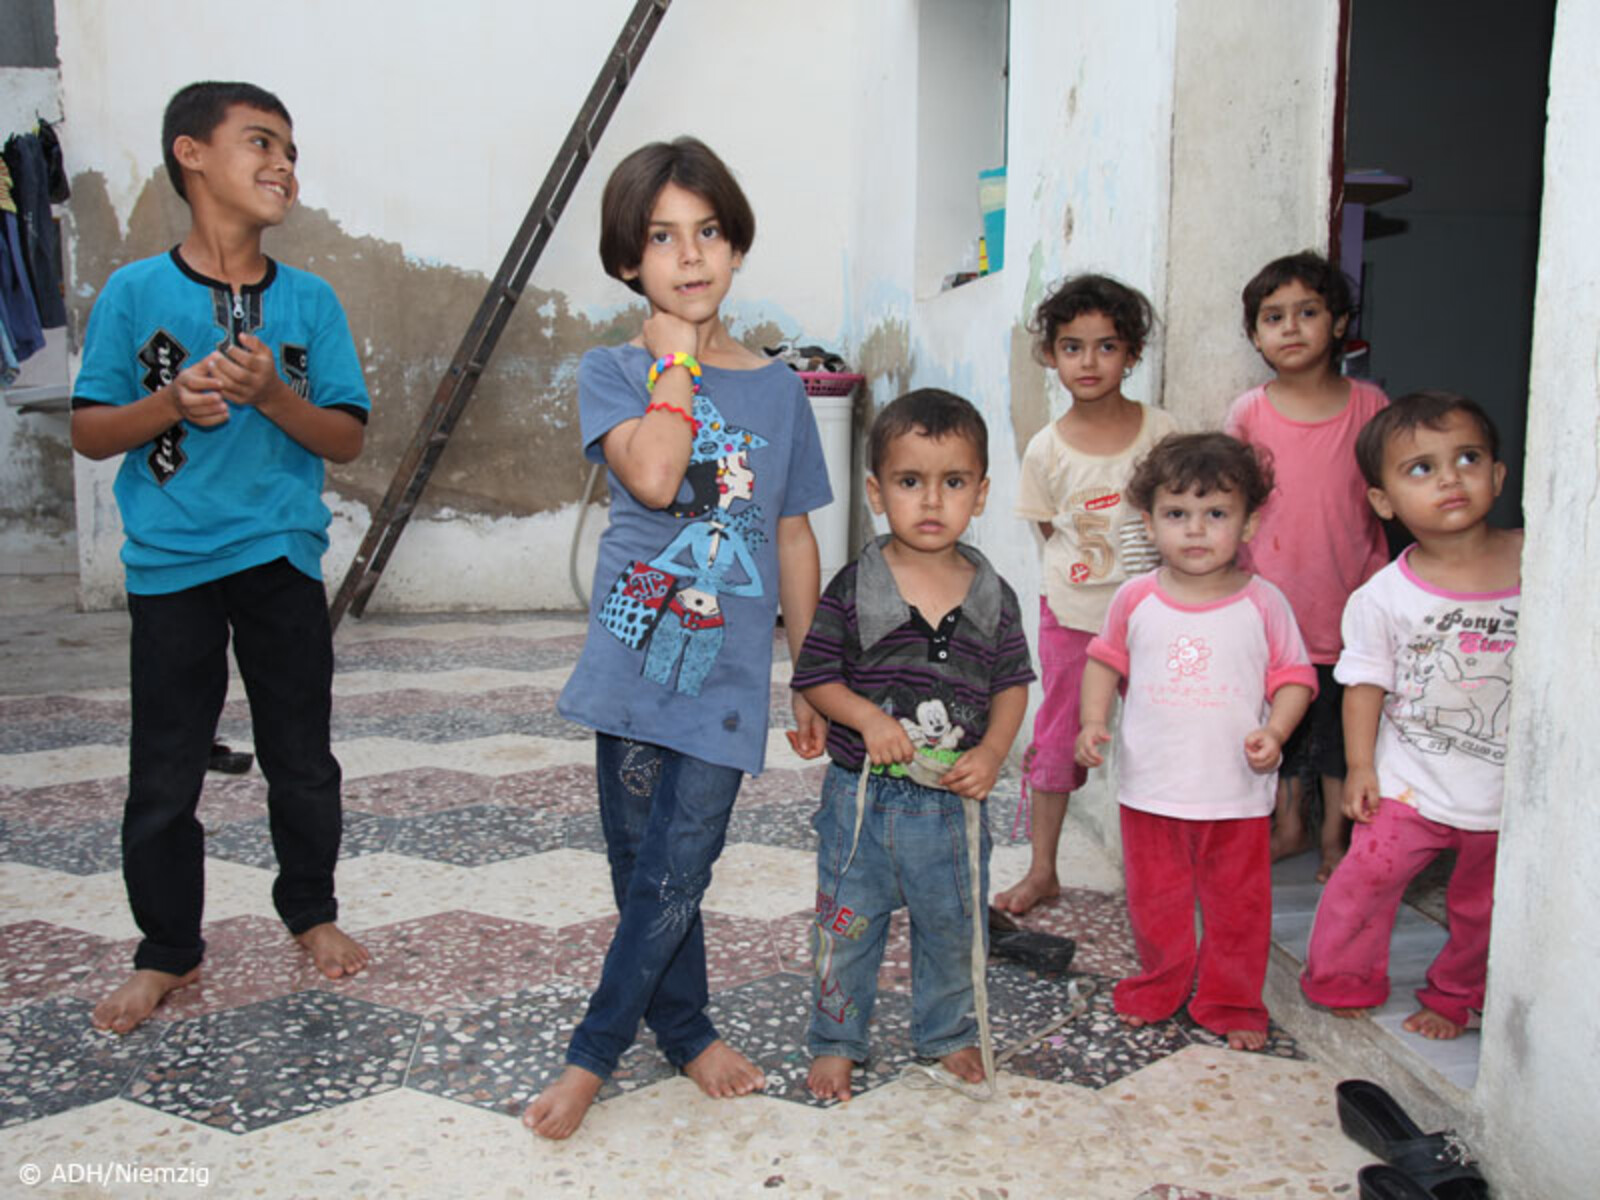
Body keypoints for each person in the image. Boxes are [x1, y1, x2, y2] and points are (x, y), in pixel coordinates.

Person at [524, 137, 832, 1139]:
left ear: (735, 247)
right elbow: (656, 474)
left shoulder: (781, 391)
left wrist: (805, 673)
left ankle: (592, 1053)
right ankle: (687, 1027)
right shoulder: (613, 370)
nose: (689, 256)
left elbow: (790, 532)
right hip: (633, 655)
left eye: (707, 232)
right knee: (639, 868)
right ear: (628, 262)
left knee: (679, 868)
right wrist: (677, 363)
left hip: (728, 671)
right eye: (662, 237)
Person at [70, 82, 371, 1034]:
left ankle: (310, 911)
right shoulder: (133, 294)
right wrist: (174, 403)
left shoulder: (310, 301)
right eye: (260, 142)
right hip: (168, 564)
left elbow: (346, 439)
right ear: (192, 154)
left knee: (301, 756)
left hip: (280, 552)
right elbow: (88, 431)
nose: (283, 162)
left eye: (290, 147)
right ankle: (167, 950)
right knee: (164, 768)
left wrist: (275, 397)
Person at [791, 389, 1033, 1101]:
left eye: (953, 483)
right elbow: (816, 674)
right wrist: (864, 717)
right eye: (909, 482)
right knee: (846, 927)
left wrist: (991, 753)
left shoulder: (993, 596)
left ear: (980, 493)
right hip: (860, 806)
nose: (932, 501)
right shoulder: (855, 587)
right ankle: (837, 1040)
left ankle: (948, 1034)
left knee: (953, 929)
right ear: (875, 491)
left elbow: (1013, 682)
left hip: (950, 810)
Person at [1076, 433, 1315, 1051]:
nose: (1195, 530)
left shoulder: (1265, 604)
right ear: (1149, 523)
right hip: (1151, 791)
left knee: (1238, 910)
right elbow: (1104, 661)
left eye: (1216, 514)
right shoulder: (1136, 598)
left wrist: (1276, 729)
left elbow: (1295, 678)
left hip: (1234, 795)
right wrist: (1092, 720)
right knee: (1157, 904)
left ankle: (1232, 1002)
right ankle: (1160, 984)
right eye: (1176, 514)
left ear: (1249, 522)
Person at [1301, 392, 1519, 1041]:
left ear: (1499, 476)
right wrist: (1362, 767)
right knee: (1363, 882)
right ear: (1383, 502)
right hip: (1410, 783)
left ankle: (1454, 996)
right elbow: (1364, 684)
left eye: (1468, 458)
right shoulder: (1382, 598)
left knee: (1482, 908)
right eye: (1420, 468)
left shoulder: (1544, 565)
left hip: (1507, 792)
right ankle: (1344, 977)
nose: (1450, 477)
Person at [995, 274, 1177, 915]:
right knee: (1057, 738)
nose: (1089, 361)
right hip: (1074, 619)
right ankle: (1043, 868)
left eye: (1106, 346)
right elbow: (1053, 530)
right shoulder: (1045, 449)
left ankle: (1163, 877)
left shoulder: (1162, 434)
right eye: (1073, 347)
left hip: (1159, 620)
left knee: (1165, 739)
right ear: (1051, 355)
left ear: (1131, 354)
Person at [1226, 252, 1389, 881]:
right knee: (1281, 718)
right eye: (1274, 317)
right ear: (1255, 334)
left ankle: (1334, 838)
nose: (1290, 327)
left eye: (1308, 312)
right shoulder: (1250, 412)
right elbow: (1228, 497)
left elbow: (1389, 490)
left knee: (1341, 725)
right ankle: (1289, 825)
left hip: (1349, 594)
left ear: (1340, 323)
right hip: (1270, 595)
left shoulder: (1368, 407)